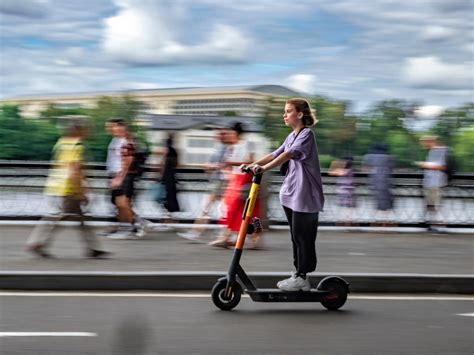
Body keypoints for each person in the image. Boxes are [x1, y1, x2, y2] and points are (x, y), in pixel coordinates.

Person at [242, 98, 323, 291]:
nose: (284, 115)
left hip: (305, 197)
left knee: (303, 237)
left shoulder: (306, 135)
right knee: (296, 236)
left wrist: (263, 169)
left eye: (288, 111)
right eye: (284, 111)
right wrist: (253, 165)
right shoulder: (291, 136)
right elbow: (274, 154)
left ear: (300, 114)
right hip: (291, 195)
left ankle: (302, 276)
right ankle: (298, 276)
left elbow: (287, 155)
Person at [26, 118, 110, 258]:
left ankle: (92, 248)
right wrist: (82, 191)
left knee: (78, 218)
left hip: (56, 185)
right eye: (86, 128)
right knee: (63, 216)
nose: (89, 131)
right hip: (68, 188)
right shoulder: (77, 146)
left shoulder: (61, 143)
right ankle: (38, 243)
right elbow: (74, 170)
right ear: (78, 130)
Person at [209, 122, 263, 249]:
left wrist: (232, 163)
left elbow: (251, 161)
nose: (228, 135)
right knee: (232, 210)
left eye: (230, 132)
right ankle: (230, 237)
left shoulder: (247, 144)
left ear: (236, 133)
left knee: (246, 210)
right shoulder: (231, 147)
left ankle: (233, 237)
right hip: (235, 181)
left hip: (245, 180)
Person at [177, 128, 231, 242]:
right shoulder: (220, 148)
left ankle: (198, 232)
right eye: (219, 134)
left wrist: (212, 166)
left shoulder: (226, 148)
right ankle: (220, 233)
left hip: (220, 182)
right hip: (217, 181)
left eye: (222, 134)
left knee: (208, 207)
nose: (219, 136)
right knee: (215, 208)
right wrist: (210, 167)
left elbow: (226, 165)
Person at [106, 119, 145, 239]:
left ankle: (133, 226)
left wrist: (119, 178)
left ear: (121, 128)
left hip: (124, 175)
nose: (111, 129)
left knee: (122, 203)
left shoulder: (126, 142)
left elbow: (127, 162)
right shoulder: (117, 140)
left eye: (114, 127)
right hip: (118, 174)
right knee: (119, 203)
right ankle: (133, 225)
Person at [416, 135, 448, 232]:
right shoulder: (433, 152)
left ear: (431, 142)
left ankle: (439, 226)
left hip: (435, 183)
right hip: (431, 183)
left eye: (425, 142)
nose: (423, 145)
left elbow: (442, 167)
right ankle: (433, 225)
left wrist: (425, 165)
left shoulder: (440, 151)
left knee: (435, 205)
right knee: (431, 205)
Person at [363, 143, 394, 226]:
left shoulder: (369, 156)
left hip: (374, 182)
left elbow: (366, 168)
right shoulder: (389, 157)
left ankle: (373, 221)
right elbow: (391, 169)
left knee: (376, 201)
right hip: (385, 182)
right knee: (386, 203)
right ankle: (385, 222)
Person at [158, 133, 180, 226]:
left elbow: (162, 164)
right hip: (172, 176)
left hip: (165, 177)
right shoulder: (175, 151)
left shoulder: (165, 151)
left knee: (164, 198)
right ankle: (171, 219)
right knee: (171, 198)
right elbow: (177, 164)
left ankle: (166, 220)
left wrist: (158, 176)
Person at [329, 157, 357, 225]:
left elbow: (331, 172)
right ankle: (347, 220)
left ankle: (346, 220)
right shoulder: (350, 170)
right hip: (347, 191)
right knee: (347, 207)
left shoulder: (346, 171)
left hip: (346, 191)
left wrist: (334, 163)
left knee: (346, 207)